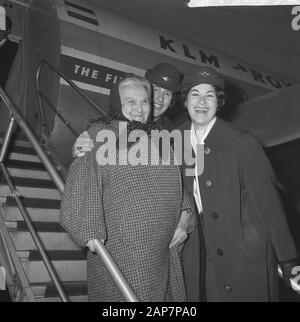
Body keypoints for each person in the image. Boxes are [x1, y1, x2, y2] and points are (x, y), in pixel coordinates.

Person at [60, 74, 194, 302]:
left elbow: (177, 184)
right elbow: (85, 179)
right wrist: (89, 230)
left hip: (164, 253)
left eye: (144, 101)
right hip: (125, 252)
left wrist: (184, 217)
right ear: (116, 104)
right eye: (130, 101)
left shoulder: (161, 139)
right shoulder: (100, 134)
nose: (140, 108)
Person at [180, 66, 298, 302]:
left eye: (210, 95)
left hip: (242, 254)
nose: (202, 102)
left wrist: (288, 259)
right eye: (195, 94)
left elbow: (269, 206)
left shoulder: (243, 144)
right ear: (185, 101)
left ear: (219, 103)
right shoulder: (177, 140)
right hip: (195, 255)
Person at [72, 63, 182, 157]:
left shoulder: (174, 134)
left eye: (167, 93)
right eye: (156, 89)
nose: (160, 98)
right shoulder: (110, 124)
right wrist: (81, 149)